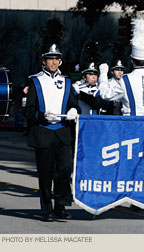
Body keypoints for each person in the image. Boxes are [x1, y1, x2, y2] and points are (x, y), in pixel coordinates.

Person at [22, 43, 81, 221]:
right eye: (50, 59)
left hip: (62, 132)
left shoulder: (67, 81)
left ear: (60, 61)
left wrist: (74, 110)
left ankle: (60, 206)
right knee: (46, 174)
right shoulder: (34, 81)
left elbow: (74, 104)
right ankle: (47, 209)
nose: (53, 62)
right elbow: (27, 110)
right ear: (44, 61)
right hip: (43, 132)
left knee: (65, 169)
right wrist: (42, 115)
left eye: (56, 59)